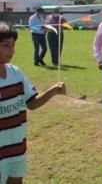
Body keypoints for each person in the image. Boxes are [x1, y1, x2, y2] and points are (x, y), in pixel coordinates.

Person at [0, 22, 66, 184]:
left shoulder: (16, 73)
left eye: (13, 45)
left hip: (17, 148)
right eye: (5, 46)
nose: (11, 50)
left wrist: (53, 91)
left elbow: (32, 103)